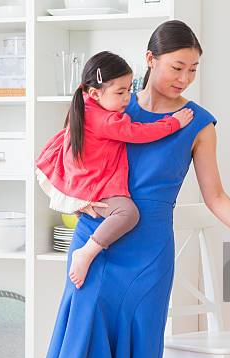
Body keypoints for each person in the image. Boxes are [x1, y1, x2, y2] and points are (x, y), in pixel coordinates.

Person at [43, 20, 230, 358]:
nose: (185, 78)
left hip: (149, 251)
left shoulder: (199, 123)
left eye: (193, 69)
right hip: (95, 241)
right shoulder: (112, 101)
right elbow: (62, 162)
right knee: (83, 357)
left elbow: (215, 195)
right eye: (177, 67)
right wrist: (79, 202)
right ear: (150, 59)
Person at [36, 51, 194, 289]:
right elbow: (139, 133)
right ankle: (87, 252)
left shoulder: (85, 107)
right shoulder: (106, 121)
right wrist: (174, 122)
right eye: (120, 92)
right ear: (95, 93)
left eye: (129, 89)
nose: (127, 98)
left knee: (100, 214)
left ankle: (86, 225)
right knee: (128, 214)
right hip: (95, 185)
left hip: (79, 181)